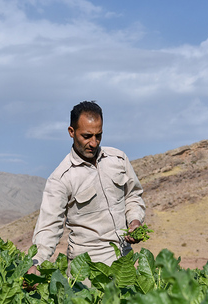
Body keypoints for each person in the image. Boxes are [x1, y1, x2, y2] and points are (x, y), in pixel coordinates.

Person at [27, 101, 146, 277]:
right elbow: (49, 226)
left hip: (124, 262)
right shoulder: (61, 178)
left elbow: (133, 195)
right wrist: (36, 263)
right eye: (87, 136)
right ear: (71, 132)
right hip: (86, 270)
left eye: (98, 135)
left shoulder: (118, 159)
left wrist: (135, 221)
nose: (93, 142)